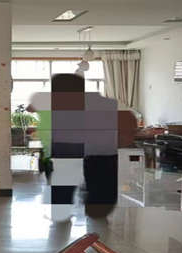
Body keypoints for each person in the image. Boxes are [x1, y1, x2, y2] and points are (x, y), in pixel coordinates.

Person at [28, 73, 118, 221]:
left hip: (70, 150)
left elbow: (31, 108)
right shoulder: (99, 102)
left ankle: (64, 211)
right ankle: (95, 211)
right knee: (96, 185)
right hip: (92, 152)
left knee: (64, 185)